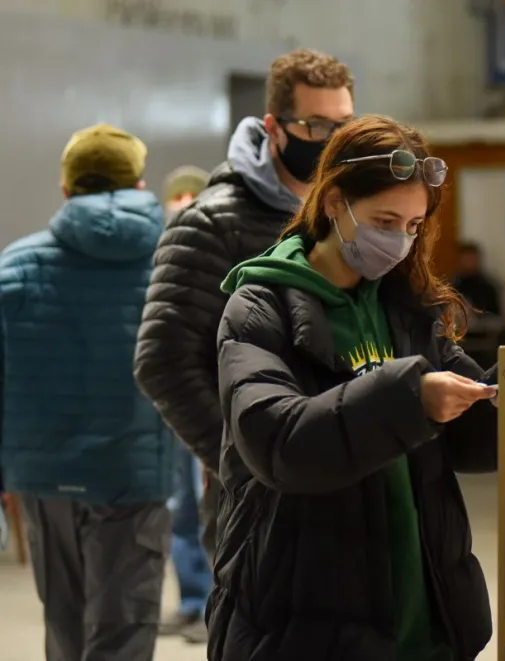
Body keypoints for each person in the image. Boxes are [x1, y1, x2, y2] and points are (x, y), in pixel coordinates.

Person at [208, 114, 498, 660]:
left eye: (413, 227)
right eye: (385, 220)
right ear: (335, 202)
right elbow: (281, 444)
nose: (399, 241)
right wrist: (407, 397)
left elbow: (474, 430)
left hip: (421, 610)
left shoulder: (406, 308)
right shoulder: (258, 308)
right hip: (305, 619)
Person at [133, 49, 355, 631]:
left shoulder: (342, 216)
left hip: (345, 474)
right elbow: (163, 362)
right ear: (275, 129)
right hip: (257, 497)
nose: (331, 141)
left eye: (343, 125)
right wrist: (245, 456)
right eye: (316, 127)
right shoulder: (211, 222)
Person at [0, 124, 172, 661]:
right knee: (123, 635)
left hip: (44, 478)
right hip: (133, 475)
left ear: (66, 189)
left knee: (64, 628)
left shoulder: (16, 266)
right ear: (140, 185)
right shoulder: (168, 263)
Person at [157, 165, 214, 640]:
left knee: (209, 500)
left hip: (211, 396)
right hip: (173, 400)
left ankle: (215, 603)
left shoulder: (218, 253)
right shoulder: (160, 258)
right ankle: (192, 598)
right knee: (181, 506)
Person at [452, 242, 502, 317]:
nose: (469, 263)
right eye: (466, 260)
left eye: (471, 259)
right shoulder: (452, 286)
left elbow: (496, 318)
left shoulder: (488, 288)